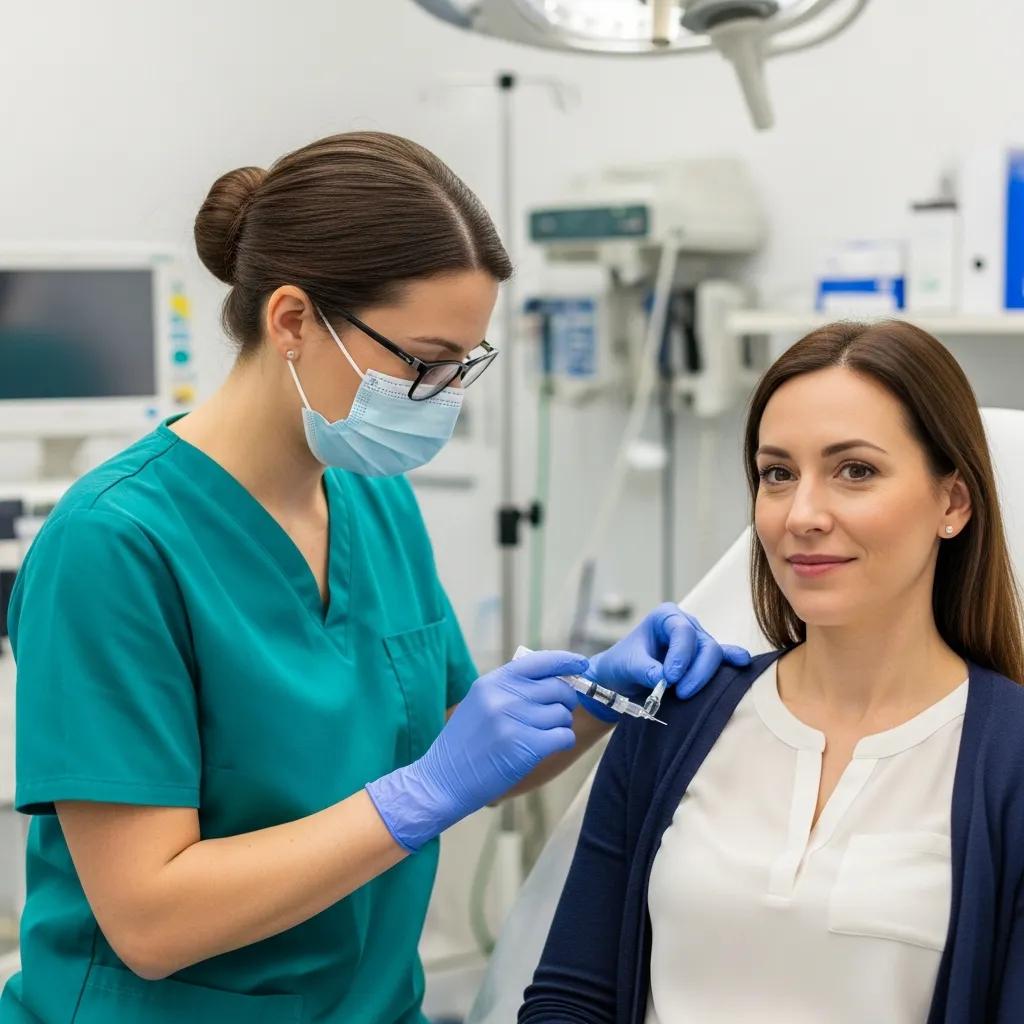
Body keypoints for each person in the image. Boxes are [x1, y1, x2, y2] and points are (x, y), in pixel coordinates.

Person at [0, 131, 749, 1024]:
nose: (441, 395)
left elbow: (453, 746)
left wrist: (595, 693)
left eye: (463, 365)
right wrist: (420, 795)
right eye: (422, 362)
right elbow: (151, 921)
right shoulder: (114, 545)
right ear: (291, 321)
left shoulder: (370, 502)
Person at [520, 320, 1024, 1023]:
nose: (802, 515)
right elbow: (572, 997)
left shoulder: (1008, 757)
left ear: (952, 502)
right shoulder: (678, 717)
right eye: (777, 474)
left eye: (856, 471)